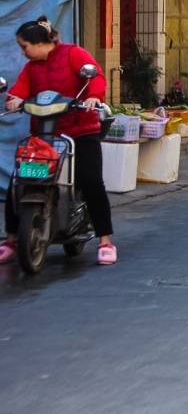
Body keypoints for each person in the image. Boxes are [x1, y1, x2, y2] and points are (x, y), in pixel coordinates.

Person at [1, 17, 115, 265]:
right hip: (44, 135)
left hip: (80, 130)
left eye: (24, 47)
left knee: (91, 180)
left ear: (39, 43)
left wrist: (94, 97)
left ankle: (105, 241)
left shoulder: (73, 54)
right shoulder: (31, 68)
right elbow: (20, 89)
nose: (23, 53)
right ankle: (11, 239)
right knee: (17, 181)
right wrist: (14, 99)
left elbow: (94, 77)